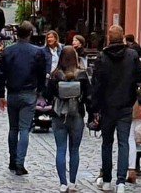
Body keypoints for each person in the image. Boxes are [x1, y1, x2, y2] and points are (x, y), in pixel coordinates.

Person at [91, 24, 141, 193]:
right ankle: (121, 181)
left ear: (109, 37)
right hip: (125, 105)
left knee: (107, 143)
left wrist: (94, 109)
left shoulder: (102, 57)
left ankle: (107, 180)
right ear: (122, 37)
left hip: (107, 107)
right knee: (124, 143)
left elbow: (97, 85)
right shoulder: (132, 55)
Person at [0, 20, 48, 177]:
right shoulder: (37, 52)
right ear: (30, 34)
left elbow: (1, 74)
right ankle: (20, 163)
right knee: (24, 129)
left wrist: (0, 94)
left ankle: (13, 160)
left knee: (13, 129)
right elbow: (42, 74)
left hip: (12, 93)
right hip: (28, 93)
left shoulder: (8, 51)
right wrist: (40, 91)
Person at [45, 45, 90, 193]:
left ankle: (62, 183)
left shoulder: (55, 75)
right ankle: (72, 182)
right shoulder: (82, 75)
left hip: (59, 114)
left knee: (61, 149)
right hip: (76, 114)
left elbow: (47, 95)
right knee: (75, 150)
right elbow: (89, 96)